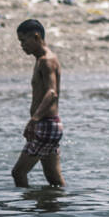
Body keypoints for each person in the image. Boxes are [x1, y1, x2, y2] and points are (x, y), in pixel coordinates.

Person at [11, 19, 65, 188]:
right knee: (54, 179)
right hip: (50, 124)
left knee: (18, 172)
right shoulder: (42, 59)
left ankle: (25, 213)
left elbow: (52, 93)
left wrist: (34, 120)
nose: (22, 46)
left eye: (23, 41)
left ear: (36, 37)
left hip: (46, 125)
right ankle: (55, 211)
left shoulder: (46, 60)